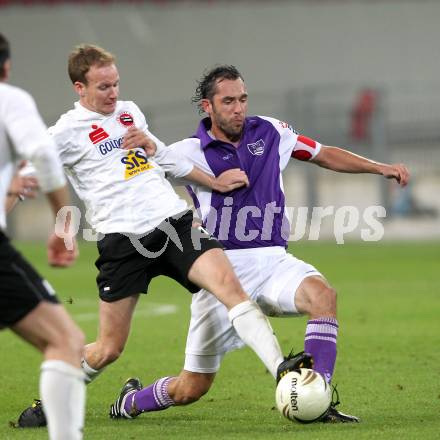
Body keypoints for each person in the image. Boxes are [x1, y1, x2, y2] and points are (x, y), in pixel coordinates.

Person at [20, 46, 310, 426]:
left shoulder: (129, 112)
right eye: (103, 86)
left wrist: (213, 181)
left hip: (173, 223)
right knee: (108, 348)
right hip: (122, 242)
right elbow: (29, 171)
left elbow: (162, 156)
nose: (113, 93)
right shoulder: (64, 134)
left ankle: (281, 370)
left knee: (229, 288)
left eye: (116, 83)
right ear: (79, 87)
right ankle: (53, 397)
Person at [108, 65, 410, 423]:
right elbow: (143, 187)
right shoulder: (185, 152)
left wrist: (379, 168)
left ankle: (317, 394)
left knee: (323, 297)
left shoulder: (271, 131)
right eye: (229, 101)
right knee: (192, 387)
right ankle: (131, 402)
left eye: (243, 99)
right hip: (219, 271)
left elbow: (323, 153)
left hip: (272, 261)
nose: (239, 108)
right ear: (207, 106)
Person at [0, 33, 86, 440]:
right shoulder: (9, 99)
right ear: (6, 67)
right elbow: (45, 155)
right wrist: (63, 225)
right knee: (67, 342)